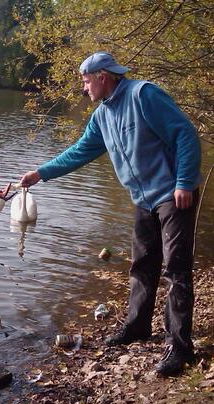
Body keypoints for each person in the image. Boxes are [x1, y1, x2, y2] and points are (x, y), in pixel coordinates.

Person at [20, 51, 202, 376]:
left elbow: (185, 134)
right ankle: (137, 327)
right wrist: (40, 173)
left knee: (176, 269)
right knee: (142, 265)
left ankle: (179, 347)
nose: (84, 88)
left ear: (103, 77)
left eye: (86, 81)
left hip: (174, 195)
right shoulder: (102, 115)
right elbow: (80, 151)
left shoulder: (143, 95)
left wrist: (185, 182)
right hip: (143, 199)